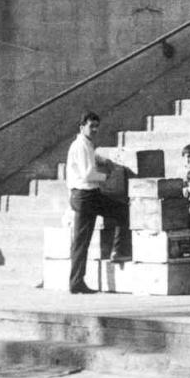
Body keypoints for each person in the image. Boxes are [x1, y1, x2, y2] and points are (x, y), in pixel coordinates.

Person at [65, 111, 131, 294]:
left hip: (87, 196)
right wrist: (107, 175)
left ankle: (78, 280)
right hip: (86, 196)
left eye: (96, 126)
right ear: (82, 127)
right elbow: (88, 174)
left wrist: (104, 160)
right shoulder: (80, 146)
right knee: (82, 240)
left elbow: (92, 158)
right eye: (91, 126)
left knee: (82, 239)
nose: (94, 129)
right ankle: (77, 281)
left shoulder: (86, 144)